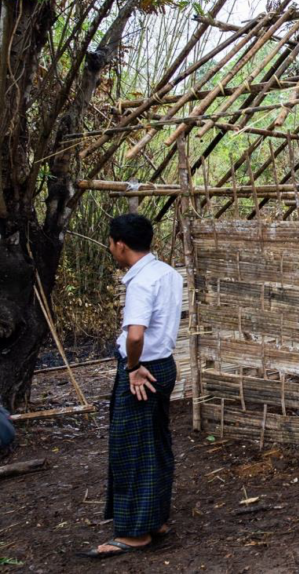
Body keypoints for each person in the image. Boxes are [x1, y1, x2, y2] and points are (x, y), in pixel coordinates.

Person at [82, 213, 183, 559]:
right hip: (164, 366)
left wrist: (133, 367)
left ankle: (135, 533)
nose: (111, 248)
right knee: (155, 444)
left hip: (144, 372)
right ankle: (156, 520)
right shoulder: (168, 273)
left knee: (128, 449)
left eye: (111, 243)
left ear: (120, 244)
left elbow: (136, 334)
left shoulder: (140, 282)